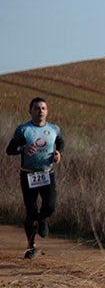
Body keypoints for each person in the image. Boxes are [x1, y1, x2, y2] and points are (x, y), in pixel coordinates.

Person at [5, 97, 65, 259]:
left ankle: (43, 219)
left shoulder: (54, 129)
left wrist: (59, 153)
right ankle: (31, 247)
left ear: (47, 111)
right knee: (30, 212)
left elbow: (60, 142)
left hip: (47, 173)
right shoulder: (23, 130)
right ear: (30, 111)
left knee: (50, 206)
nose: (40, 112)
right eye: (37, 109)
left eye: (43, 108)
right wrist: (22, 148)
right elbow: (10, 149)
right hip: (28, 174)